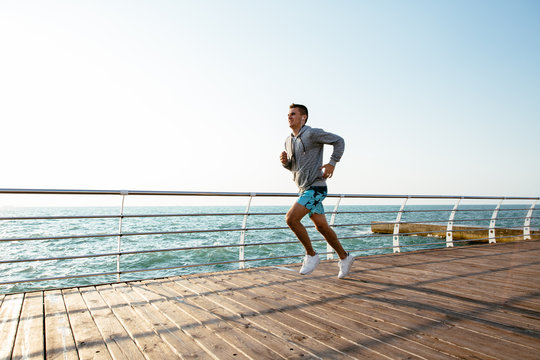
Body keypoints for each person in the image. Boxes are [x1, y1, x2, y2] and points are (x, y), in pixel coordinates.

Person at [280, 103, 354, 278]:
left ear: (303, 117)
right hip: (303, 189)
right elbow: (294, 167)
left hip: (316, 187)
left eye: (293, 114)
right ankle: (345, 257)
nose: (289, 117)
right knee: (321, 227)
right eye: (288, 114)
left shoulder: (312, 133)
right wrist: (285, 163)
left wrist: (332, 163)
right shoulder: (288, 140)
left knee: (291, 219)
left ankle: (312, 255)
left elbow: (339, 141)